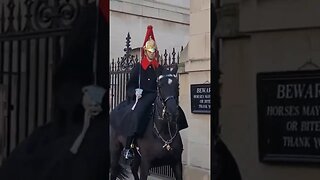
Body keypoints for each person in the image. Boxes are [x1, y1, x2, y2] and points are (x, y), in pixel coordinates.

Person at [122, 25, 160, 160]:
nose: (152, 53)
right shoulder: (138, 67)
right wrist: (134, 93)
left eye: (154, 51)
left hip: (157, 96)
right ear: (145, 51)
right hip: (143, 96)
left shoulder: (158, 68)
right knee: (137, 115)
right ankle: (128, 146)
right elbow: (130, 86)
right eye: (150, 51)